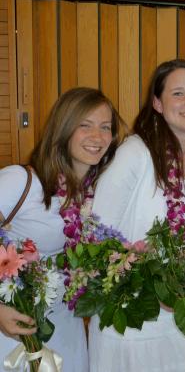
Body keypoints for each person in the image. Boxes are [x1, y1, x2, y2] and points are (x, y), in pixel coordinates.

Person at [90, 59, 185, 372]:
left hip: (184, 308)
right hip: (138, 312)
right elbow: (98, 233)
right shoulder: (136, 152)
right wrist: (152, 287)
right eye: (178, 94)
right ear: (158, 103)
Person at [0, 87, 124, 372]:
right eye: (85, 125)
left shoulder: (97, 192)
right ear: (63, 128)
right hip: (15, 326)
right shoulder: (21, 182)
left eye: (105, 127)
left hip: (66, 326)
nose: (98, 137)